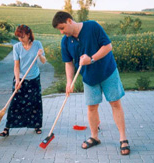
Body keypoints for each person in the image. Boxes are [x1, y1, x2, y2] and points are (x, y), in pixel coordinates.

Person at [52, 11, 130, 155]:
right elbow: (68, 63)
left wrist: (91, 59)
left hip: (108, 72)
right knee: (92, 108)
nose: (62, 32)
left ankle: (123, 139)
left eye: (62, 28)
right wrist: (69, 82)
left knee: (115, 104)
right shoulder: (66, 41)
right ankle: (94, 137)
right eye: (59, 30)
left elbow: (108, 46)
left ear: (69, 21)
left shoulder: (92, 26)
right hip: (89, 78)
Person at [0, 24, 46, 137]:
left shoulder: (37, 44)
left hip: (34, 78)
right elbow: (16, 65)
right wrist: (17, 80)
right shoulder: (17, 47)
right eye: (19, 37)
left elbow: (44, 61)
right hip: (20, 78)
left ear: (29, 35)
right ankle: (7, 128)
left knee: (35, 102)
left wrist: (40, 55)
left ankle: (37, 125)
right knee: (15, 102)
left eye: (23, 36)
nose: (20, 39)